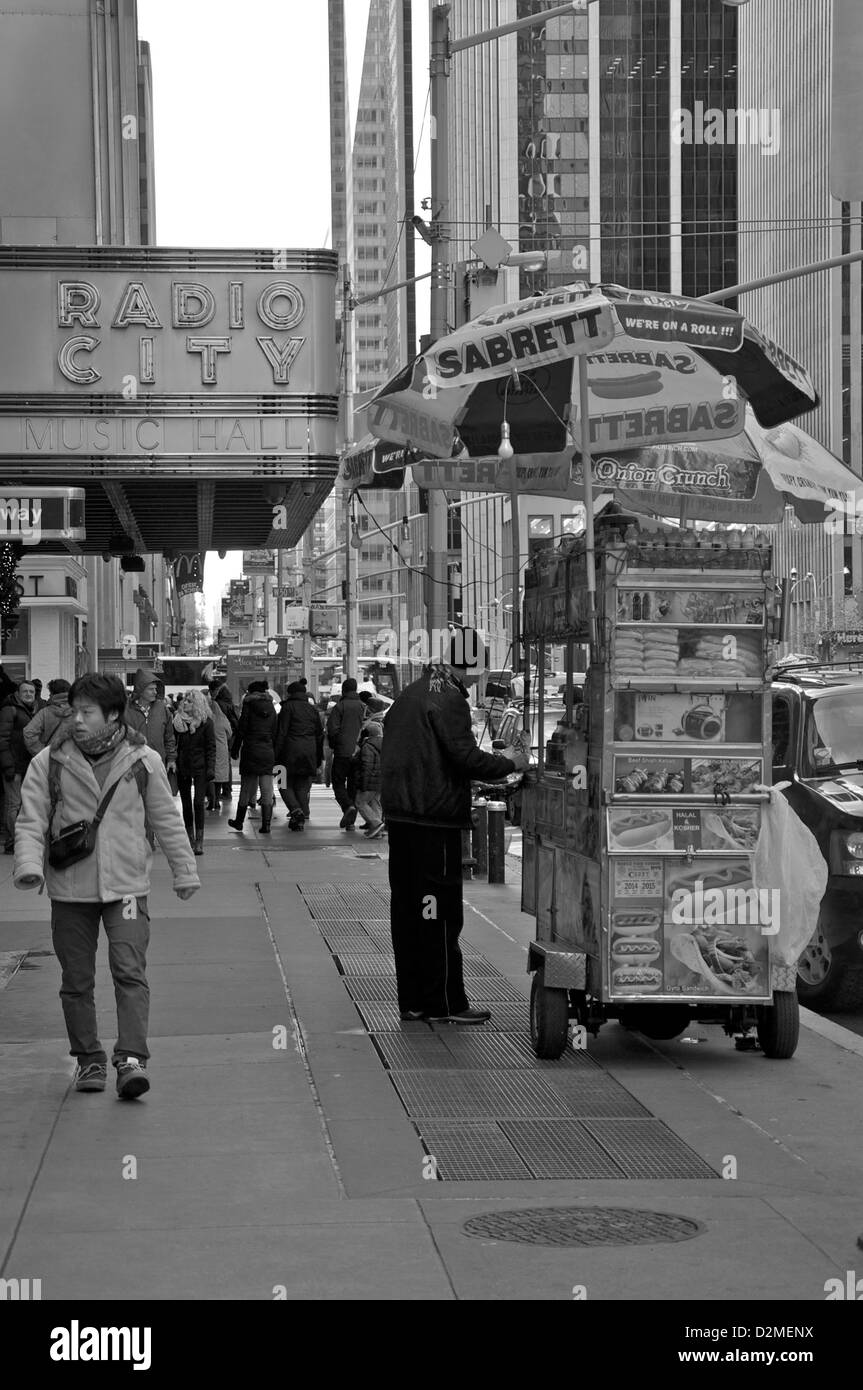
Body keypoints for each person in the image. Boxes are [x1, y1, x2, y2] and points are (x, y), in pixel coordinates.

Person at [12, 673, 200, 1098]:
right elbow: (31, 818)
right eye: (73, 711)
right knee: (76, 980)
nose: (76, 720)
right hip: (69, 889)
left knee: (129, 972)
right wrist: (28, 865)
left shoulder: (142, 759)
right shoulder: (50, 760)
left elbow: (166, 819)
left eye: (86, 712)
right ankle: (89, 1060)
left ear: (112, 715)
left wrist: (184, 871)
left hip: (128, 888)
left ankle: (131, 1059)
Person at [380, 629, 529, 1024]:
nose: (480, 678)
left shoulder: (411, 694)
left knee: (409, 912)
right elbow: (465, 758)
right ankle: (445, 1004)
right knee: (440, 914)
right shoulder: (448, 700)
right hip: (434, 821)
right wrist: (513, 762)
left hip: (402, 820)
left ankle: (413, 1001)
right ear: (472, 665)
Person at [228, 679, 277, 834]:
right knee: (267, 788)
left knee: (246, 788)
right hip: (267, 750)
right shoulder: (272, 707)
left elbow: (242, 729)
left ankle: (239, 821)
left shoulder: (248, 706)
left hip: (251, 750)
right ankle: (266, 825)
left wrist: (235, 749)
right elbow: (275, 730)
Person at [274, 679, 324, 831]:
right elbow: (319, 735)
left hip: (288, 752)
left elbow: (281, 733)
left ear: (290, 693)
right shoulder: (312, 709)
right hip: (309, 752)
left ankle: (296, 811)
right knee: (302, 787)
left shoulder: (287, 708)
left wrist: (275, 754)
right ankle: (300, 818)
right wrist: (318, 758)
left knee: (283, 784)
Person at [173, 689, 216, 855]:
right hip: (183, 765)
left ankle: (199, 841)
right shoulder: (177, 722)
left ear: (198, 704)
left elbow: (211, 748)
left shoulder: (206, 723)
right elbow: (173, 743)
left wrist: (211, 768)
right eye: (185, 700)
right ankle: (190, 839)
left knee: (198, 802)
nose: (185, 703)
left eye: (190, 701)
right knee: (185, 804)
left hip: (201, 767)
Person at [0, 678, 37, 853]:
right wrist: (8, 766)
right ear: (18, 694)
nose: (29, 695)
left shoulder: (31, 711)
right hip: (13, 766)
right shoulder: (10, 710)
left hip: (26, 766)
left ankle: (18, 839)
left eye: (32, 692)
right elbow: (2, 739)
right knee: (13, 804)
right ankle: (13, 841)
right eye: (25, 692)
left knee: (22, 804)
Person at [326, 677, 365, 830]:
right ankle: (351, 822)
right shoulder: (364, 706)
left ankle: (348, 807)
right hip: (359, 752)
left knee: (338, 782)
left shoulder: (340, 707)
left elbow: (332, 729)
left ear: (343, 690)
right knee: (353, 786)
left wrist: (336, 745)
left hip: (343, 752)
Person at [126, 669, 177, 779]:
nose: (155, 692)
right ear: (140, 690)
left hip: (158, 764)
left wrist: (171, 759)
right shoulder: (126, 710)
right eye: (151, 689)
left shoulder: (162, 709)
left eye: (155, 689)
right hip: (133, 765)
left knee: (156, 795)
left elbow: (169, 737)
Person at [23, 677, 75, 755]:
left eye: (50, 693)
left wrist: (42, 753)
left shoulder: (45, 712)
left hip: (51, 760)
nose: (49, 696)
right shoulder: (78, 711)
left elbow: (28, 732)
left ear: (53, 694)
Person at [355, 718, 385, 839]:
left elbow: (366, 766)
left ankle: (377, 823)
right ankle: (378, 831)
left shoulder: (368, 746)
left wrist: (363, 784)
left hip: (370, 781)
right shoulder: (386, 744)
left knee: (360, 802)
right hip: (382, 781)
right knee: (375, 803)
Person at [209, 679, 238, 800]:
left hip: (222, 737)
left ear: (215, 690)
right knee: (226, 764)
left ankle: (223, 791)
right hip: (229, 736)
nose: (211, 694)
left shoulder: (218, 704)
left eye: (212, 691)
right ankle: (227, 790)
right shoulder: (229, 701)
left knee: (221, 765)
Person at [207, 687, 233, 811]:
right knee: (219, 778)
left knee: (211, 776)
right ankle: (217, 799)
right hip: (222, 750)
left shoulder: (207, 719)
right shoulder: (223, 719)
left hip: (210, 749)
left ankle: (212, 800)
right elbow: (230, 733)